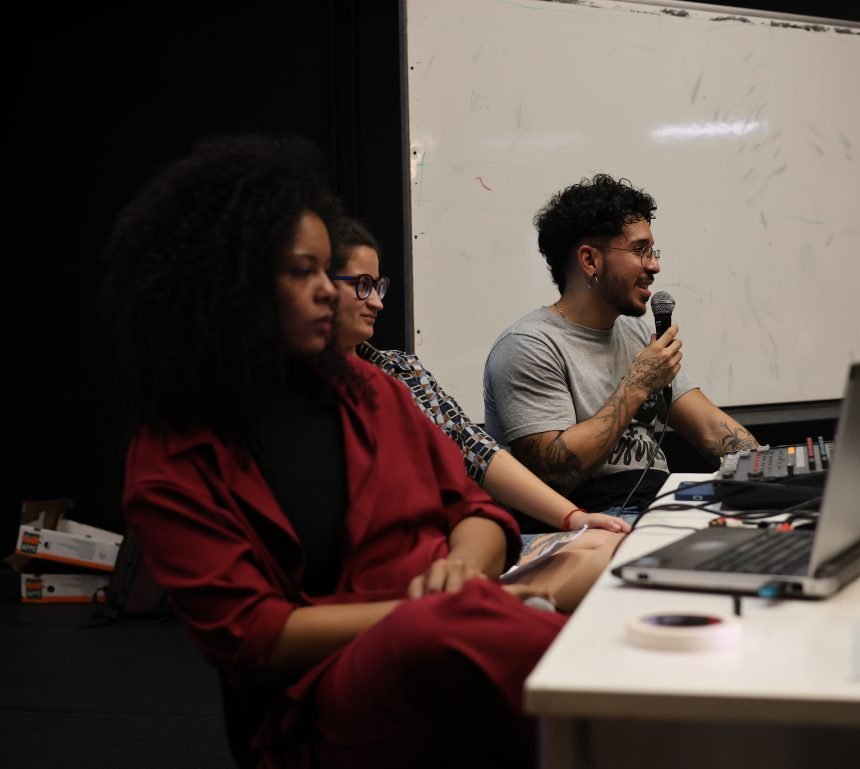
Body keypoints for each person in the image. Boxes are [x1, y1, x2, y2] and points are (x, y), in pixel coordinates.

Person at [101, 134, 565, 769]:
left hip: (454, 634)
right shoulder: (173, 459)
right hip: (316, 707)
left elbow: (474, 511)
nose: (330, 291)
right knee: (448, 635)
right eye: (302, 272)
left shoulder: (372, 389)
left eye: (328, 270)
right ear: (227, 282)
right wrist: (431, 609)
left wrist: (462, 568)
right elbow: (257, 639)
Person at [328, 215, 629, 537]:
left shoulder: (400, 370)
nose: (376, 302)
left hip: (448, 537)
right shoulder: (527, 343)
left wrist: (572, 518)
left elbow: (475, 449)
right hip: (399, 544)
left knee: (599, 546)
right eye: (362, 286)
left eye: (377, 287)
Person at [484, 174, 757, 518]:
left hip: (658, 504)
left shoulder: (635, 332)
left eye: (652, 252)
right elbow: (554, 474)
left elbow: (707, 428)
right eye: (640, 251)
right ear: (590, 261)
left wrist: (768, 470)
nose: (654, 265)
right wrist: (638, 384)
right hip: (589, 520)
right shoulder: (529, 345)